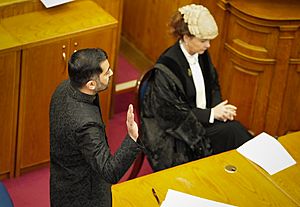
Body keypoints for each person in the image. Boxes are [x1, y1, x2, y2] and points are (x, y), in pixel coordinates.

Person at [141, 4, 253, 172]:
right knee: (234, 132)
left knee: (233, 129)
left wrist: (217, 109)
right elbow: (172, 115)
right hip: (179, 135)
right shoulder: (167, 69)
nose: (208, 45)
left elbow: (213, 84)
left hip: (201, 121)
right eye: (203, 41)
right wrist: (210, 114)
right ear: (186, 37)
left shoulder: (201, 54)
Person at [49, 48, 142, 207]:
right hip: (84, 196)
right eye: (106, 73)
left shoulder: (63, 88)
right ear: (91, 84)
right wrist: (132, 137)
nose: (111, 73)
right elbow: (109, 172)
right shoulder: (86, 124)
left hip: (62, 181)